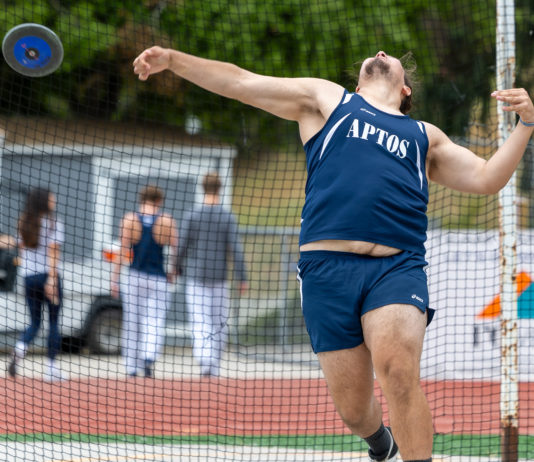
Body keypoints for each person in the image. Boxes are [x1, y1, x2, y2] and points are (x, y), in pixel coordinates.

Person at [133, 46, 534, 462]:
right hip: (326, 272)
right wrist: (174, 61)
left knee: (398, 371)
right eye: (376, 54)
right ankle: (379, 441)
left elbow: (486, 177)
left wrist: (526, 123)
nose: (381, 52)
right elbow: (240, 82)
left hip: (396, 268)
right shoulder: (328, 101)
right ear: (357, 86)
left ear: (406, 90)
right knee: (354, 412)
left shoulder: (423, 135)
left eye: (392, 55)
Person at [176, 172, 248, 377]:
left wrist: (176, 267)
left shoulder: (192, 215)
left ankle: (205, 360)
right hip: (220, 277)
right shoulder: (227, 216)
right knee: (219, 322)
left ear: (203, 188)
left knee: (200, 320)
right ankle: (213, 365)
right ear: (220, 188)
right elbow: (235, 248)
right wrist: (242, 276)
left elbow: (182, 245)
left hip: (196, 276)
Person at [111, 185, 178, 378]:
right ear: (159, 201)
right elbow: (176, 250)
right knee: (155, 320)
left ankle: (131, 366)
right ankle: (148, 357)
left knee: (132, 321)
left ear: (141, 199)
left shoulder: (130, 219)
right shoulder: (167, 220)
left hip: (135, 277)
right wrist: (172, 272)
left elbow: (122, 251)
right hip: (158, 277)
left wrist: (114, 279)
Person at [8, 187, 65, 382]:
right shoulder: (53, 223)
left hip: (28, 278)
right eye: (51, 198)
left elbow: (21, 249)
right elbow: (53, 252)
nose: (54, 201)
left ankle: (19, 349)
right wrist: (52, 279)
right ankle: (51, 368)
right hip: (47, 275)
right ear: (44, 201)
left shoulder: (24, 221)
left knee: (35, 322)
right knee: (53, 322)